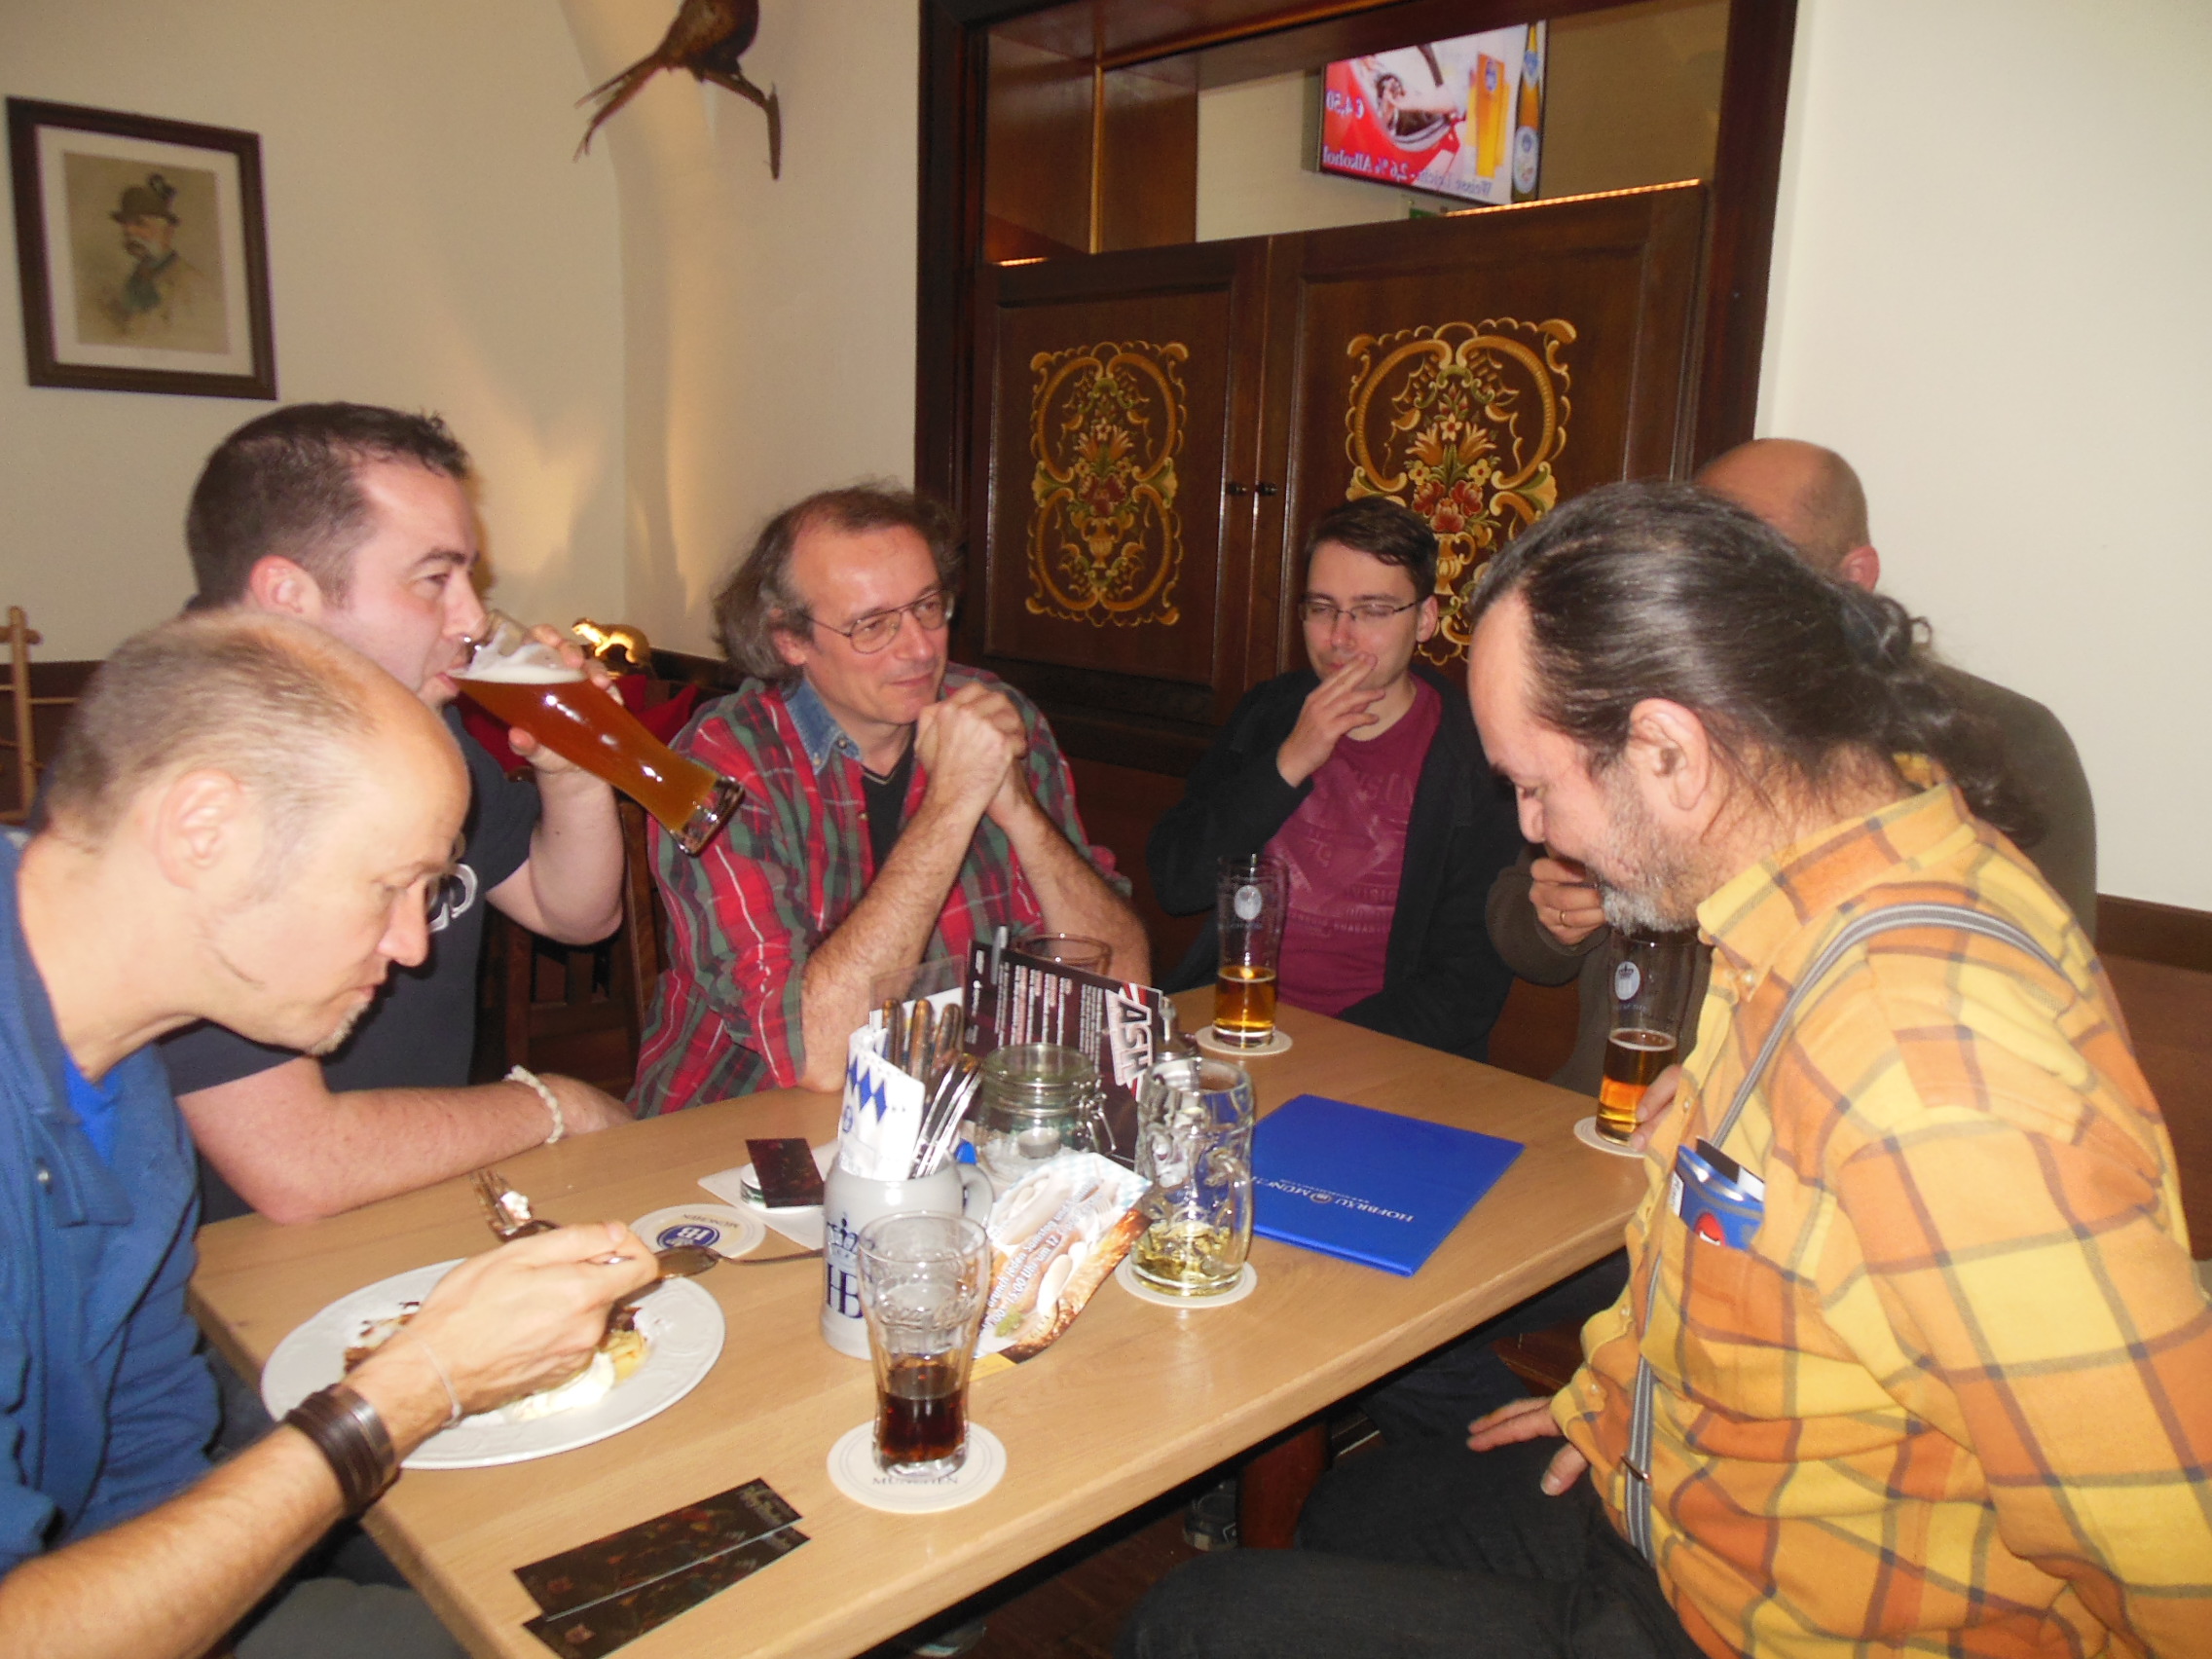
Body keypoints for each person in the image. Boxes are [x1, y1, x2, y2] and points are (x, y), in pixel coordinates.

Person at [1119, 482, 2210, 1659]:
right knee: (1360, 1506)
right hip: (1671, 1489)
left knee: (1193, 1625)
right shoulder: (1799, 895)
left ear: (1667, 752)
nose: (1530, 830)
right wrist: (1613, 1401)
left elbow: (2175, 1553)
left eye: (1534, 786)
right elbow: (1733, 1237)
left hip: (1774, 1620)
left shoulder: (1929, 1061)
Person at [1, 612, 659, 1658]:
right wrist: (414, 1387)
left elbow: (147, 1469)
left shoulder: (125, 1074)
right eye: (388, 886)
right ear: (203, 829)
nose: (413, 947)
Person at [1493, 437, 2099, 1097]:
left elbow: (2014, 1011)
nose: (1718, 594)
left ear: (1853, 578)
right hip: (1603, 1112)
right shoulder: (1651, 710)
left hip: (1791, 1130)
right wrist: (1563, 916)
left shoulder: (2001, 739)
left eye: (1755, 566)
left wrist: (1717, 1108)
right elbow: (1519, 931)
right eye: (1701, 560)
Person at [156, 403, 633, 1225]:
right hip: (238, 1265)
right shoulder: (191, 790)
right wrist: (557, 1105)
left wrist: (575, 772)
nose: (473, 619)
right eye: (434, 579)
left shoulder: (406, 720)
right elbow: (297, 1166)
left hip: (412, 1198)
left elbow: (573, 913)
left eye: (471, 578)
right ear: (289, 596)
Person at [630, 485, 1145, 1110]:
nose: (921, 648)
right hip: (740, 1124)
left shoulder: (993, 716)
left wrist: (1018, 809)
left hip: (954, 1117)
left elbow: (1124, 986)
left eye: (927, 606)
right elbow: (818, 1054)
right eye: (873, 626)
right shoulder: (720, 763)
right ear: (790, 639)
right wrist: (952, 804)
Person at [1147, 497, 1522, 1060]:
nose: (1340, 637)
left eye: (1371, 610)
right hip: (1232, 1025)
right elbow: (1176, 882)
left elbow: (1463, 990)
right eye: (1322, 608)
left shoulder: (1476, 754)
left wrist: (1316, 1054)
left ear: (1424, 619)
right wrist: (1288, 763)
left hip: (1378, 1055)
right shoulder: (1268, 714)